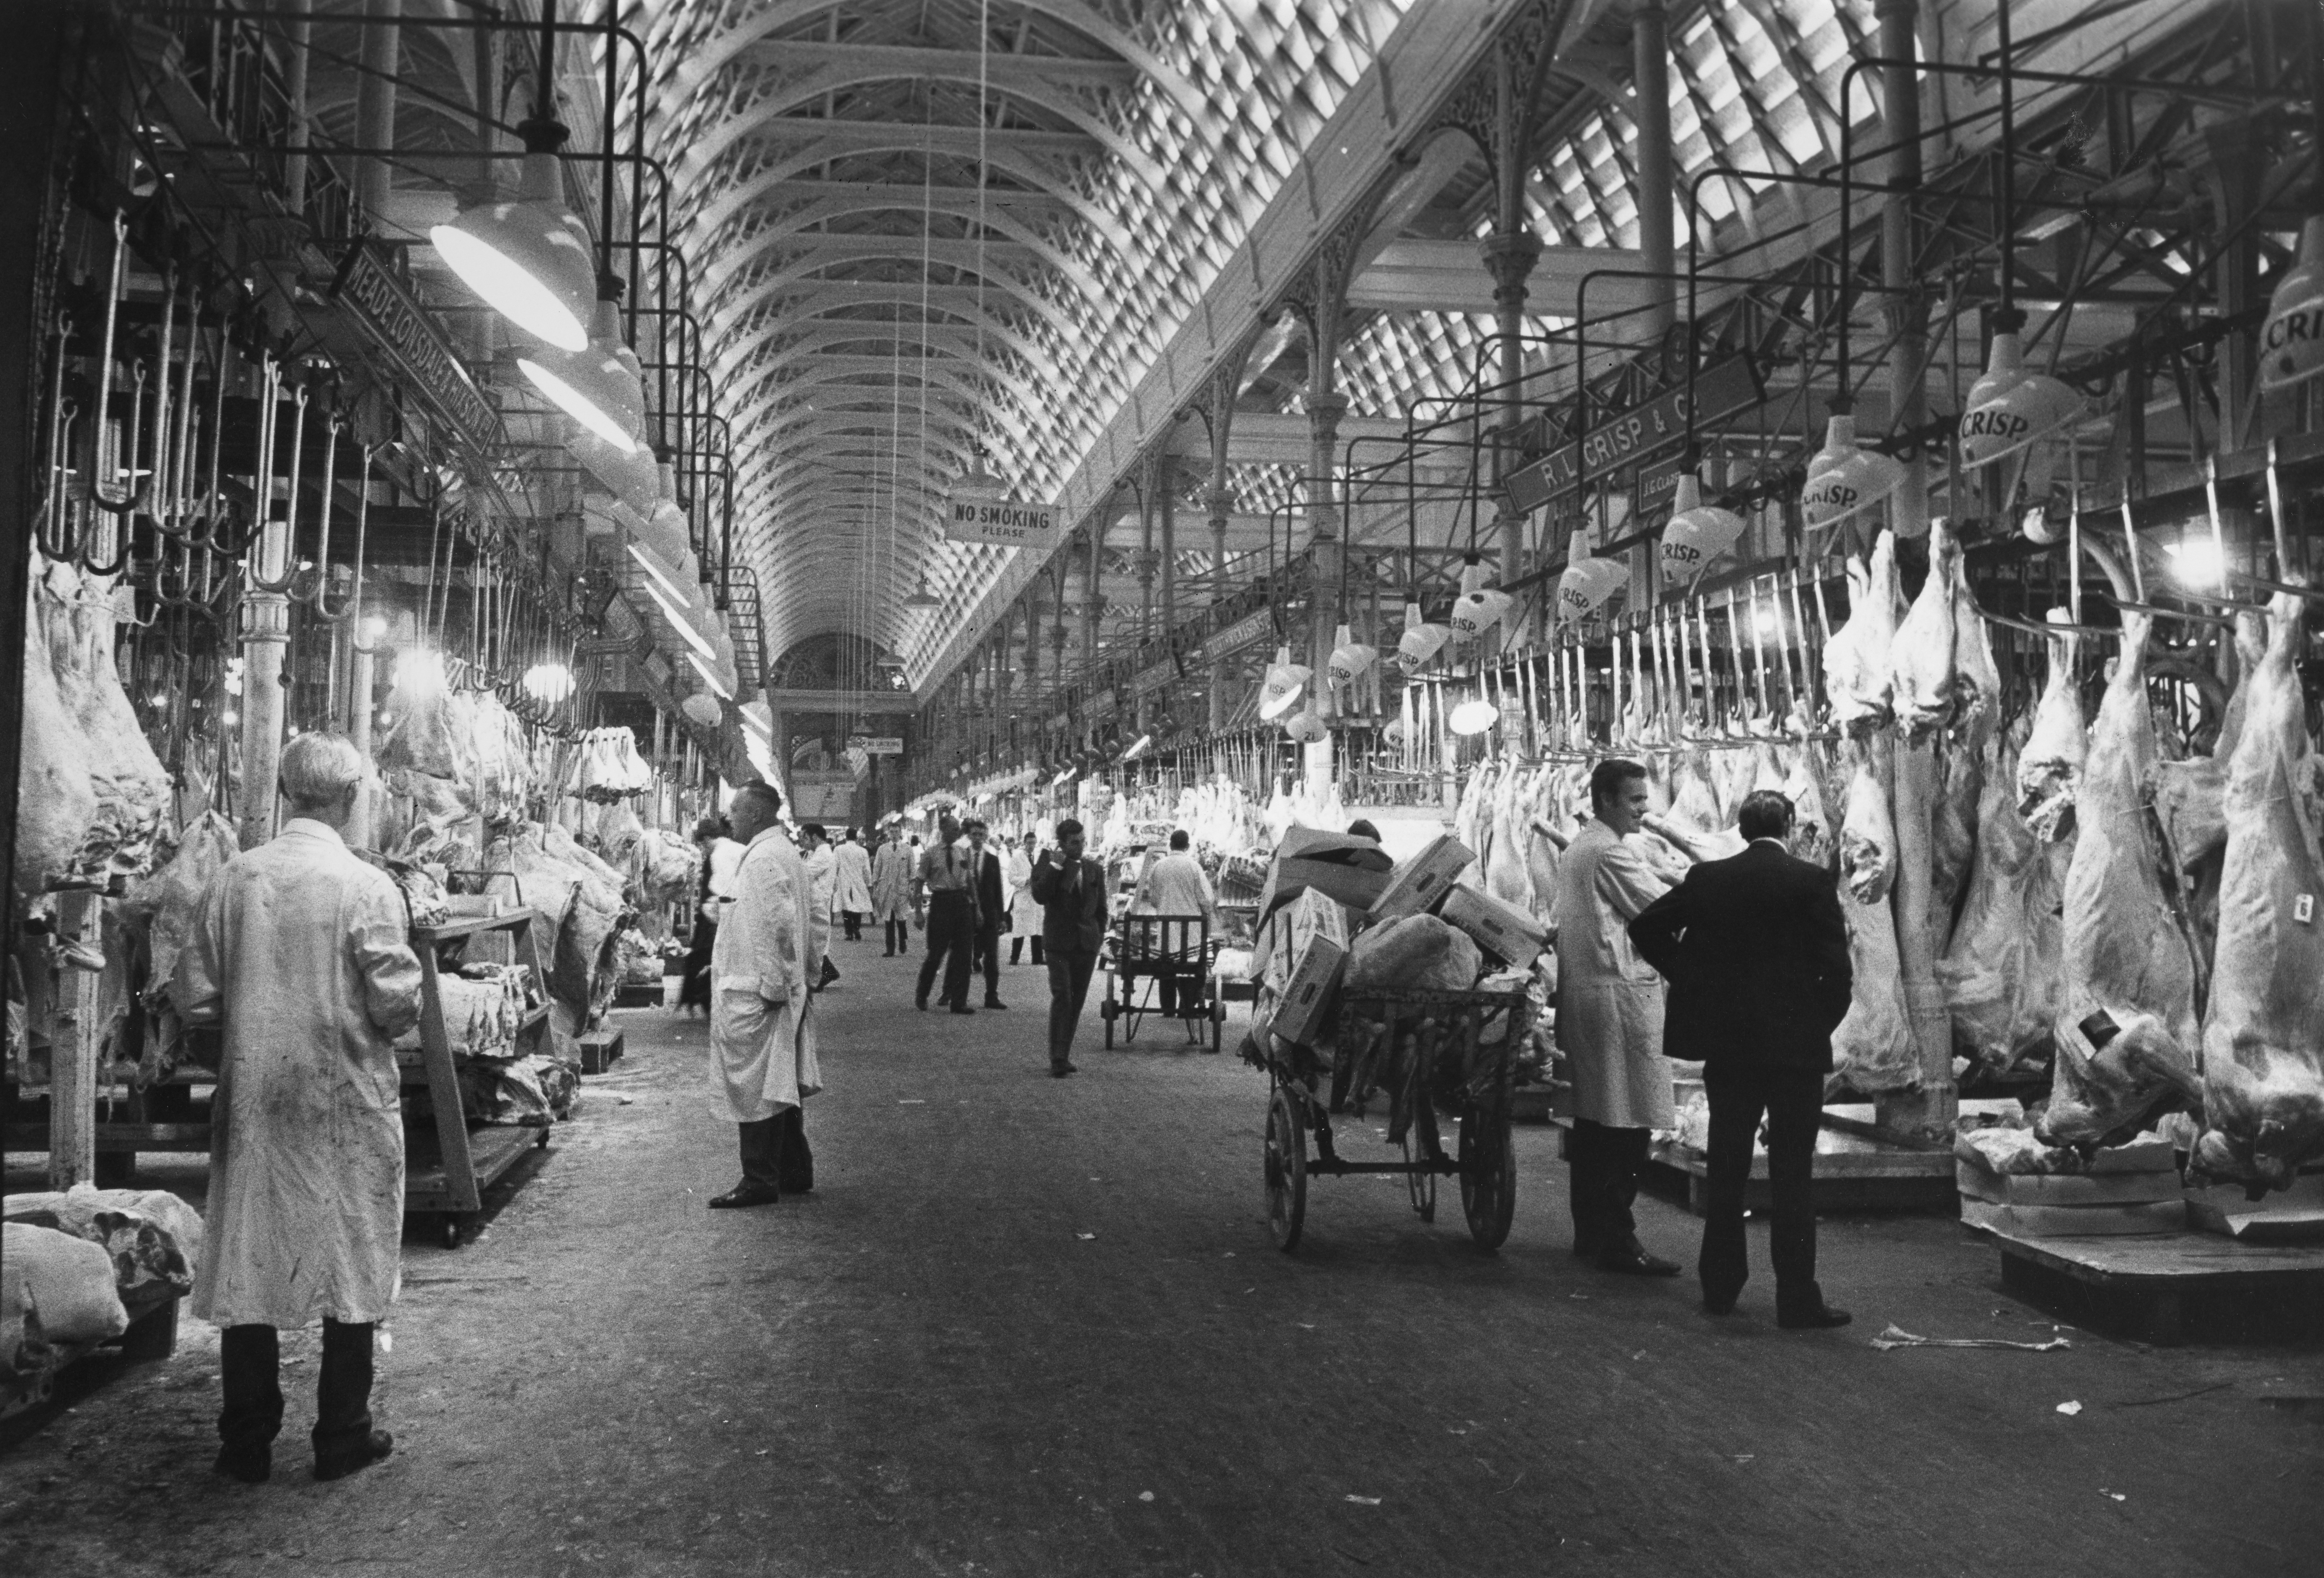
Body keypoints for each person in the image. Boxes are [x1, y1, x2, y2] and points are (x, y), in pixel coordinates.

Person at [174, 733, 424, 1484]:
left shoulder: (233, 878)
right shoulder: (368, 884)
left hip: (257, 1099)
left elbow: (196, 996)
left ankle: (245, 1440)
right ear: (349, 798)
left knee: (251, 1256)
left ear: (285, 792)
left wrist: (255, 1031)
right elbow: (397, 1005)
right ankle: (341, 1433)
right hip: (345, 1098)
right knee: (351, 1258)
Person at [1629, 790, 1855, 1328]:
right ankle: (1798, 1300)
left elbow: (1645, 927)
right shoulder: (1811, 881)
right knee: (1792, 1174)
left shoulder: (1711, 879)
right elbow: (1838, 974)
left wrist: (1692, 978)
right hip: (1795, 1052)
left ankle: (1721, 1288)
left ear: (1741, 827)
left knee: (1727, 1167)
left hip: (1729, 1046)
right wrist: (1813, 1025)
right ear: (1793, 825)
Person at [1549, 757, 1682, 1277]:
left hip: (1592, 994)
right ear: (1606, 800)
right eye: (1635, 799)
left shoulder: (1581, 846)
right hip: (1618, 999)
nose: (1645, 810)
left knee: (1595, 1120)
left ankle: (1592, 1232)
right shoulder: (1608, 852)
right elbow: (1660, 908)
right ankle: (1618, 1241)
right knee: (1626, 1124)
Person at [708, 782, 823, 1209]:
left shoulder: (761, 859)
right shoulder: (783, 852)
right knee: (779, 1082)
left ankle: (759, 1179)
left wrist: (776, 986)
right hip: (777, 988)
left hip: (762, 993)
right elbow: (814, 918)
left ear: (756, 814)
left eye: (735, 810)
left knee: (757, 1087)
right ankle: (795, 1171)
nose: (729, 817)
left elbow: (778, 925)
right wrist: (808, 974)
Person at [1029, 819, 1108, 1077]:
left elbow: (1101, 910)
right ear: (1062, 843)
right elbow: (1040, 895)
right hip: (1058, 944)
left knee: (1077, 1001)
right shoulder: (1047, 861)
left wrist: (1098, 939)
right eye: (1075, 843)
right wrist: (1056, 865)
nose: (1081, 847)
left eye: (1083, 841)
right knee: (1063, 996)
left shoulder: (1094, 869)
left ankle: (1064, 1052)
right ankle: (1058, 1058)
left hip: (1086, 945)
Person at [1133, 829, 1217, 1024]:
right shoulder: (1194, 867)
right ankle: (1186, 1006)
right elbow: (1207, 899)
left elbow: (1153, 899)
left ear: (1170, 845)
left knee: (1167, 961)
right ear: (1187, 846)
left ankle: (1168, 1008)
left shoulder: (1158, 867)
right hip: (1192, 934)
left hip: (1165, 933)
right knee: (1190, 962)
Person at [914, 811, 979, 1014]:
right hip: (941, 904)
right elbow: (919, 884)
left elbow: (970, 882)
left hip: (961, 903)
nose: (958, 831)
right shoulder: (930, 854)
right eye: (953, 828)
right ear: (943, 830)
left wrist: (976, 909)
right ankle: (922, 994)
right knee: (936, 953)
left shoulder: (963, 852)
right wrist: (918, 913)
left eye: (959, 828)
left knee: (964, 955)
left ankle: (959, 1002)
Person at [680, 815, 734, 1014]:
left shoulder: (719, 855)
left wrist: (710, 911)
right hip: (718, 918)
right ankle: (701, 1000)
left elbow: (723, 892)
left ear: (707, 839)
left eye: (703, 844)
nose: (703, 849)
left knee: (707, 959)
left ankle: (704, 1000)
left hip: (718, 919)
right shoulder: (732, 849)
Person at [965, 817, 1008, 1010]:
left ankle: (992, 996)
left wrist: (1002, 917)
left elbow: (998, 888)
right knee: (961, 956)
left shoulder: (992, 859)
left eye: (981, 835)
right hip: (966, 913)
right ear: (969, 836)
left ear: (986, 837)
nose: (978, 838)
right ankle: (954, 994)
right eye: (974, 834)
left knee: (992, 957)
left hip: (990, 913)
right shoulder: (961, 856)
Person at [799, 823, 841, 990]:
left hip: (817, 905)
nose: (801, 841)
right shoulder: (814, 853)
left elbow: (804, 873)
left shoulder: (824, 855)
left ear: (814, 837)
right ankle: (827, 973)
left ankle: (818, 980)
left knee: (815, 945)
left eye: (804, 837)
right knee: (814, 943)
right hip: (815, 903)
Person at [869, 829, 913, 956]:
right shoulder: (882, 849)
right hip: (887, 888)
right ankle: (890, 949)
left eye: (896, 832)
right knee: (889, 919)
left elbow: (912, 870)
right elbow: (877, 867)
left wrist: (912, 888)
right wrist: (875, 884)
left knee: (902, 919)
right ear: (888, 834)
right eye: (892, 832)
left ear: (900, 833)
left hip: (902, 888)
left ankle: (903, 940)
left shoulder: (907, 849)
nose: (894, 834)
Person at [1005, 831, 1042, 967]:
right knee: (1020, 928)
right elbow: (1011, 877)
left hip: (1037, 897)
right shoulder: (1017, 858)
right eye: (1029, 843)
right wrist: (1027, 881)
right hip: (1023, 895)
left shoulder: (1040, 857)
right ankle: (1015, 957)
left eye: (1034, 843)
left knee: (1038, 928)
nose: (1032, 846)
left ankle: (1037, 958)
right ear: (1024, 843)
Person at [831, 827, 873, 942]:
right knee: (857, 907)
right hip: (858, 882)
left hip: (844, 882)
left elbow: (835, 867)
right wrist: (869, 884)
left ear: (846, 836)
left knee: (846, 909)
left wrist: (833, 882)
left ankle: (849, 932)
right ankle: (857, 928)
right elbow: (867, 870)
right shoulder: (863, 851)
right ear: (856, 837)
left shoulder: (838, 850)